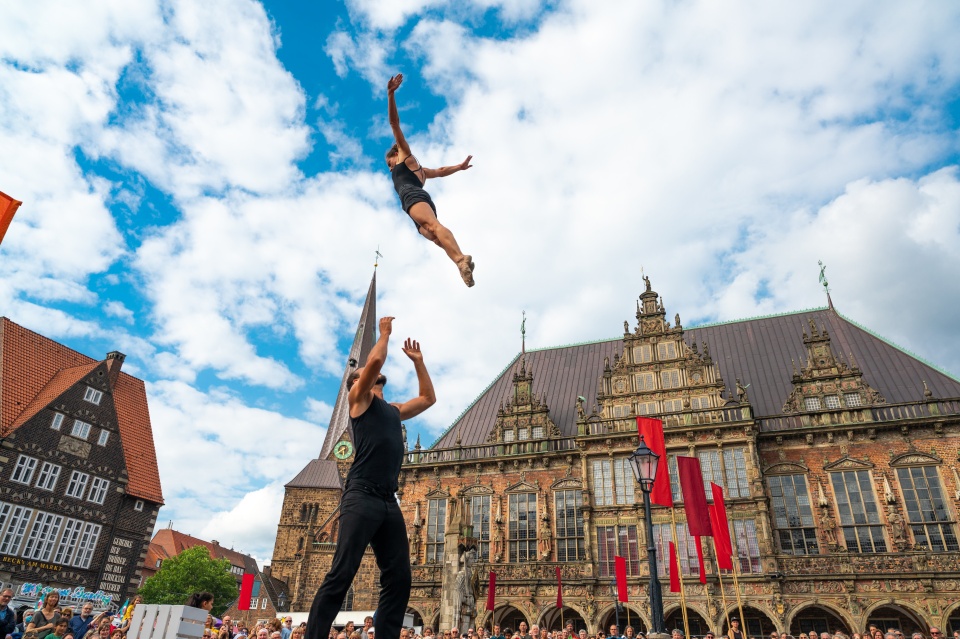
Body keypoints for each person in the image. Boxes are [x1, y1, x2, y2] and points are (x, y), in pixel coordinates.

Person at [306, 317, 436, 639]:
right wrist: (385, 334)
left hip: (387, 501)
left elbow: (428, 399)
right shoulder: (358, 401)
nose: (375, 377)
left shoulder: (392, 409)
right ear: (358, 382)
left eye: (375, 378)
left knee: (400, 577)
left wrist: (419, 364)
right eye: (368, 376)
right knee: (343, 571)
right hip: (361, 495)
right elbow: (376, 359)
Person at [385, 73, 476, 287]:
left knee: (434, 226)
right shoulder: (422, 171)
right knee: (434, 236)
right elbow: (441, 170)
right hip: (416, 200)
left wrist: (390, 95)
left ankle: (461, 259)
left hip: (412, 196)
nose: (390, 169)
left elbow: (394, 123)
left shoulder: (405, 155)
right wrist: (459, 167)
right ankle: (461, 262)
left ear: (396, 154)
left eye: (390, 164)